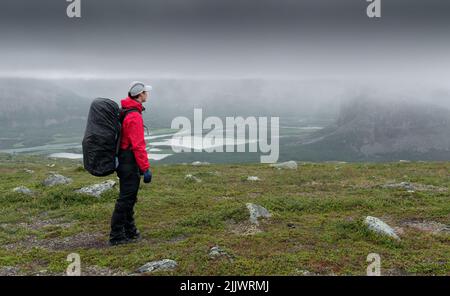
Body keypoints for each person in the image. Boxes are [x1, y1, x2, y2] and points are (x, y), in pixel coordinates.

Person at [109, 81, 153, 246]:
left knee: (129, 197)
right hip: (129, 161)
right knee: (126, 198)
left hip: (124, 159)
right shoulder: (134, 116)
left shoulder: (127, 111)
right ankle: (116, 236)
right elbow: (138, 145)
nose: (147, 94)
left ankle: (130, 231)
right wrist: (145, 168)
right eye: (145, 92)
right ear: (140, 95)